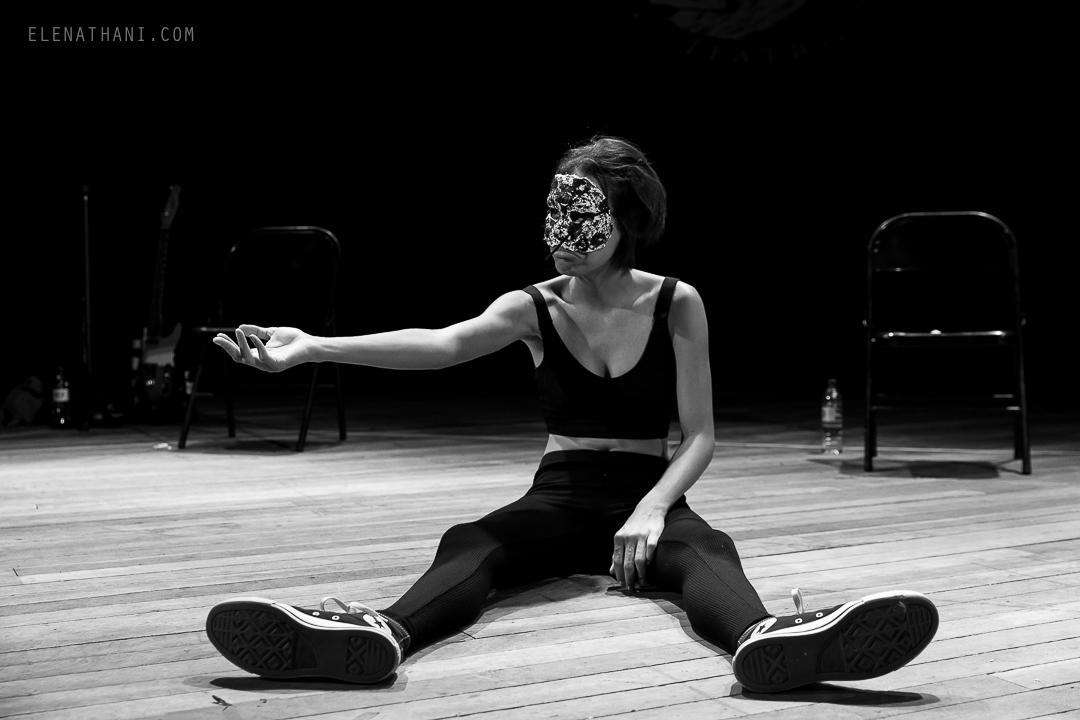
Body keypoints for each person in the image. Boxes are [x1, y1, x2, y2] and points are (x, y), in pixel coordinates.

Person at [204, 136, 938, 693]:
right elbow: (443, 344)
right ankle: (381, 634)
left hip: (649, 491)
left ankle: (769, 641)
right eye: (554, 213)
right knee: (473, 544)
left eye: (581, 216)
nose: (561, 232)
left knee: (708, 553)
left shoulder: (676, 301)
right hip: (560, 494)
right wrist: (312, 348)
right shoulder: (534, 305)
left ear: (626, 221)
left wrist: (653, 508)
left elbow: (701, 436)